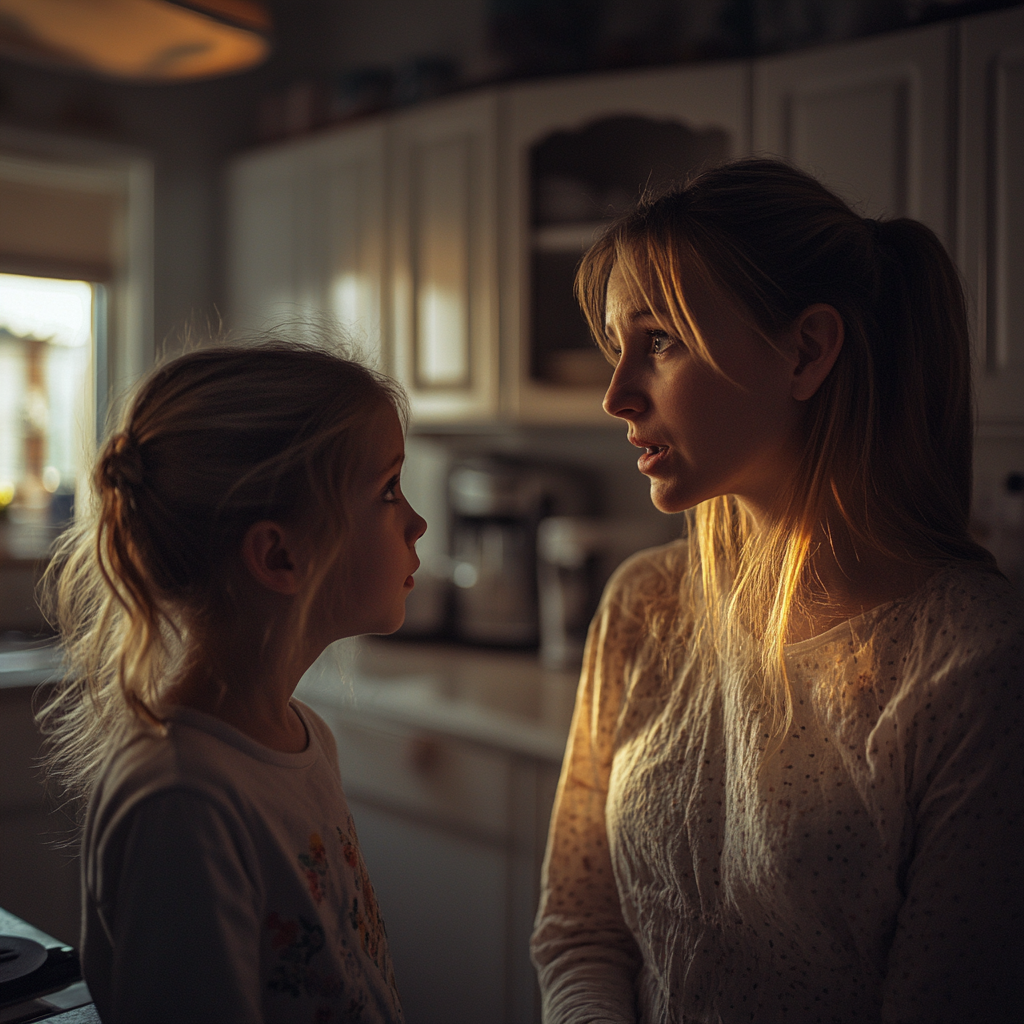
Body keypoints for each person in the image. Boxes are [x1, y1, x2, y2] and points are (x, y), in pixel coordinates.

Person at [531, 159, 1024, 1024]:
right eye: (619, 347)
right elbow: (579, 927)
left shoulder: (975, 670)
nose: (617, 395)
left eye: (662, 341)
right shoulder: (644, 605)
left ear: (807, 350)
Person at [38, 340, 426, 1023]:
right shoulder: (182, 798)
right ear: (279, 554)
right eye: (388, 490)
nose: (417, 522)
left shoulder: (305, 739)